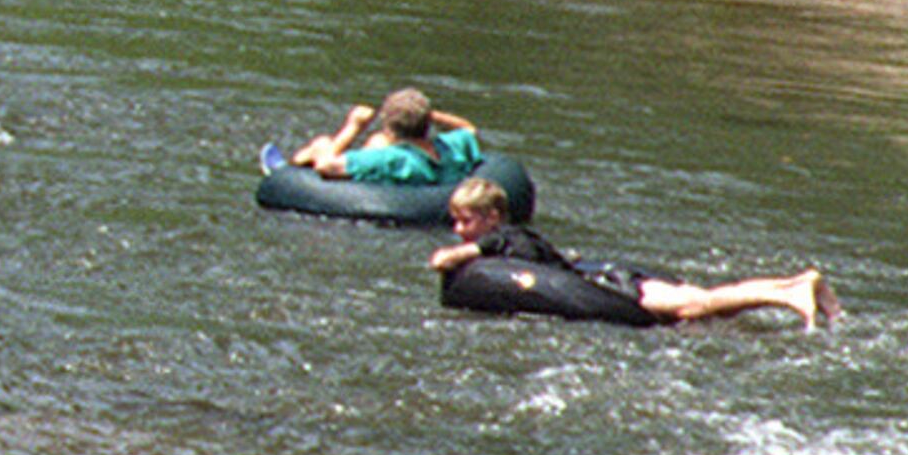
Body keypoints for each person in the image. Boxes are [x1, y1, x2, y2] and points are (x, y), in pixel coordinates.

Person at [430, 178, 836, 330]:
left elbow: (443, 260)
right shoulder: (518, 239)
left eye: (466, 221)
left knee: (696, 305)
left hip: (605, 286)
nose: (459, 230)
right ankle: (788, 288)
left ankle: (788, 290)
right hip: (608, 278)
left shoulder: (501, 239)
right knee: (701, 305)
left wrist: (453, 254)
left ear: (493, 217)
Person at [296, 85, 484, 182]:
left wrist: (353, 126)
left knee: (322, 143)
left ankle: (292, 168)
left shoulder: (390, 160)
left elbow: (326, 166)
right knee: (377, 140)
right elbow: (467, 128)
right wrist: (425, 113)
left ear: (389, 127)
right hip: (436, 182)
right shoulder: (452, 146)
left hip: (395, 193)